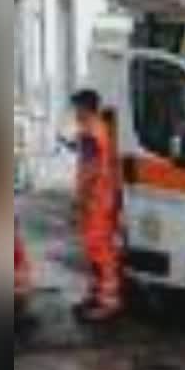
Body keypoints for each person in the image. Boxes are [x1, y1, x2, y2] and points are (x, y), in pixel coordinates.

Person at [70, 89, 122, 323]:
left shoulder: (91, 132)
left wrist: (80, 198)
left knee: (100, 250)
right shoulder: (98, 129)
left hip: (96, 200)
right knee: (95, 249)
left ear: (86, 108)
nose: (75, 113)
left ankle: (108, 301)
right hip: (101, 198)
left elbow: (90, 170)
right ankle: (96, 295)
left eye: (77, 108)